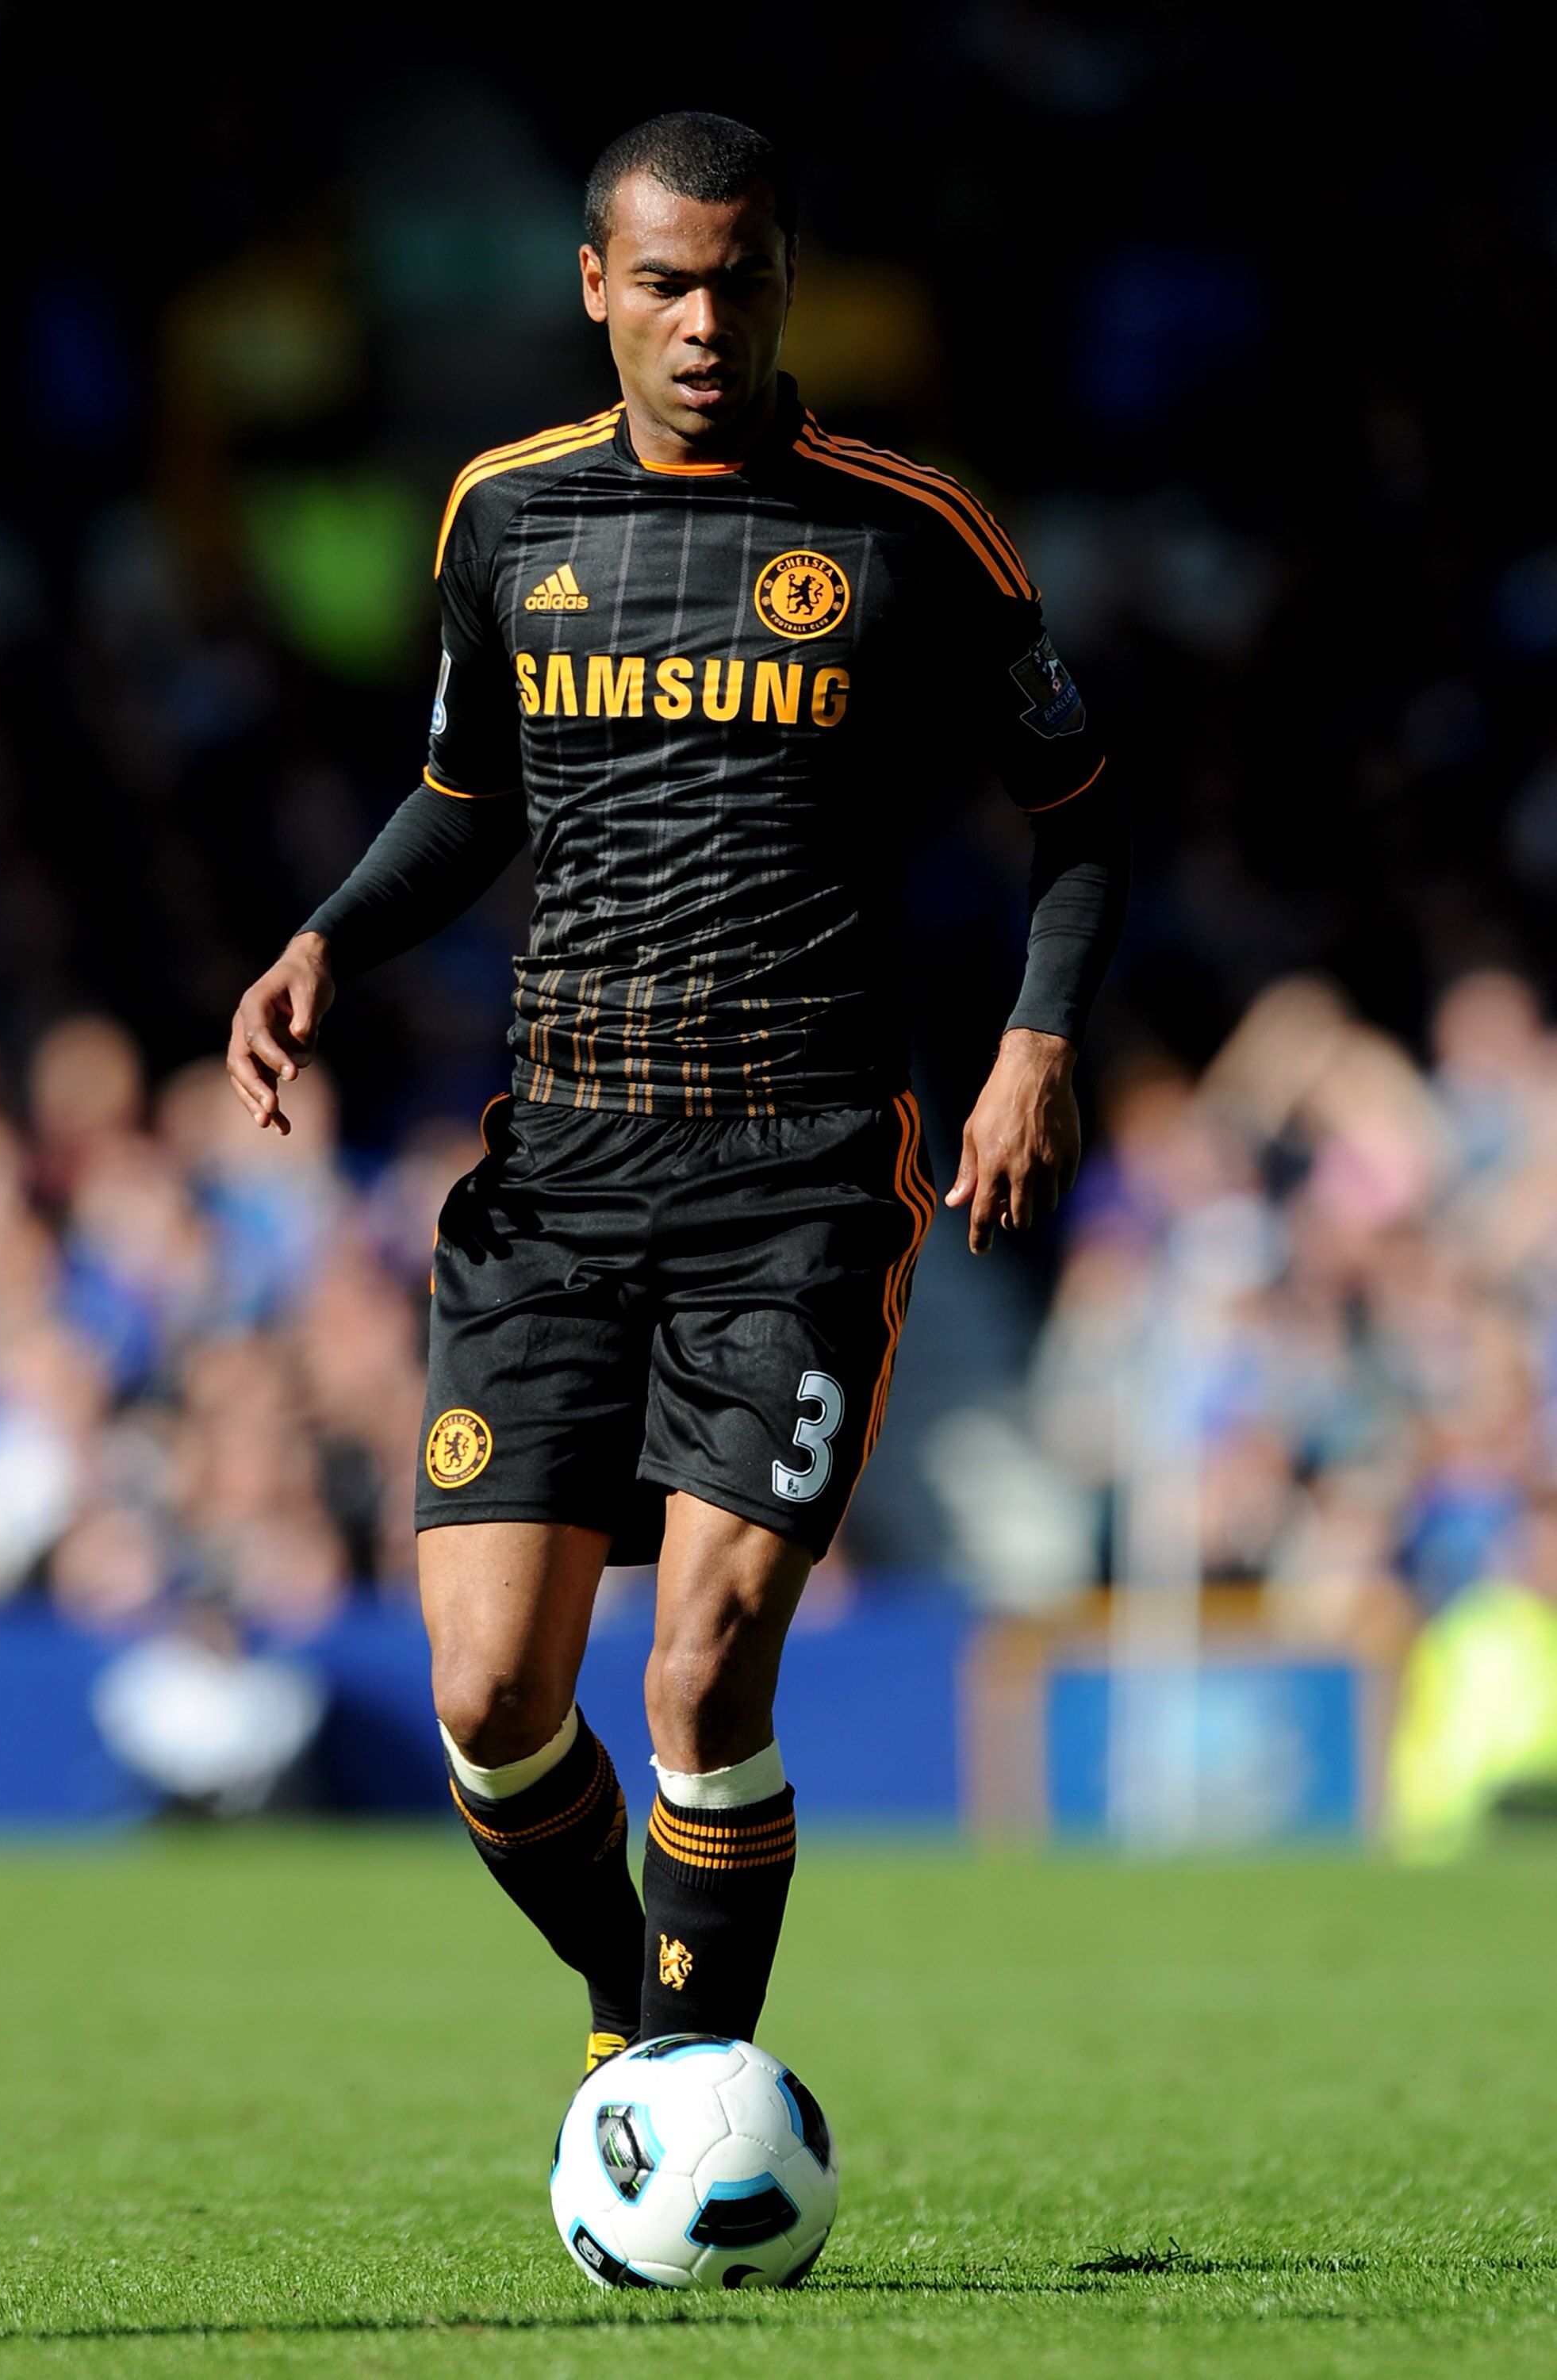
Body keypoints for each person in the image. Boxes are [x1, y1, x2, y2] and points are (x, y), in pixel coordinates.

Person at [227, 113, 1127, 2071]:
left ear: (784, 285)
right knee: (484, 1695)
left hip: (797, 1172)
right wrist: (323, 941)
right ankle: (636, 2011)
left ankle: (681, 2089)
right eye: (662, 282)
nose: (701, 321)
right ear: (593, 290)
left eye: (736, 280)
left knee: (702, 1675)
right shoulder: (501, 518)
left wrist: (1031, 1043)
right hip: (554, 1169)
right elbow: (468, 802)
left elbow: (1077, 813)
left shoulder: (907, 531)